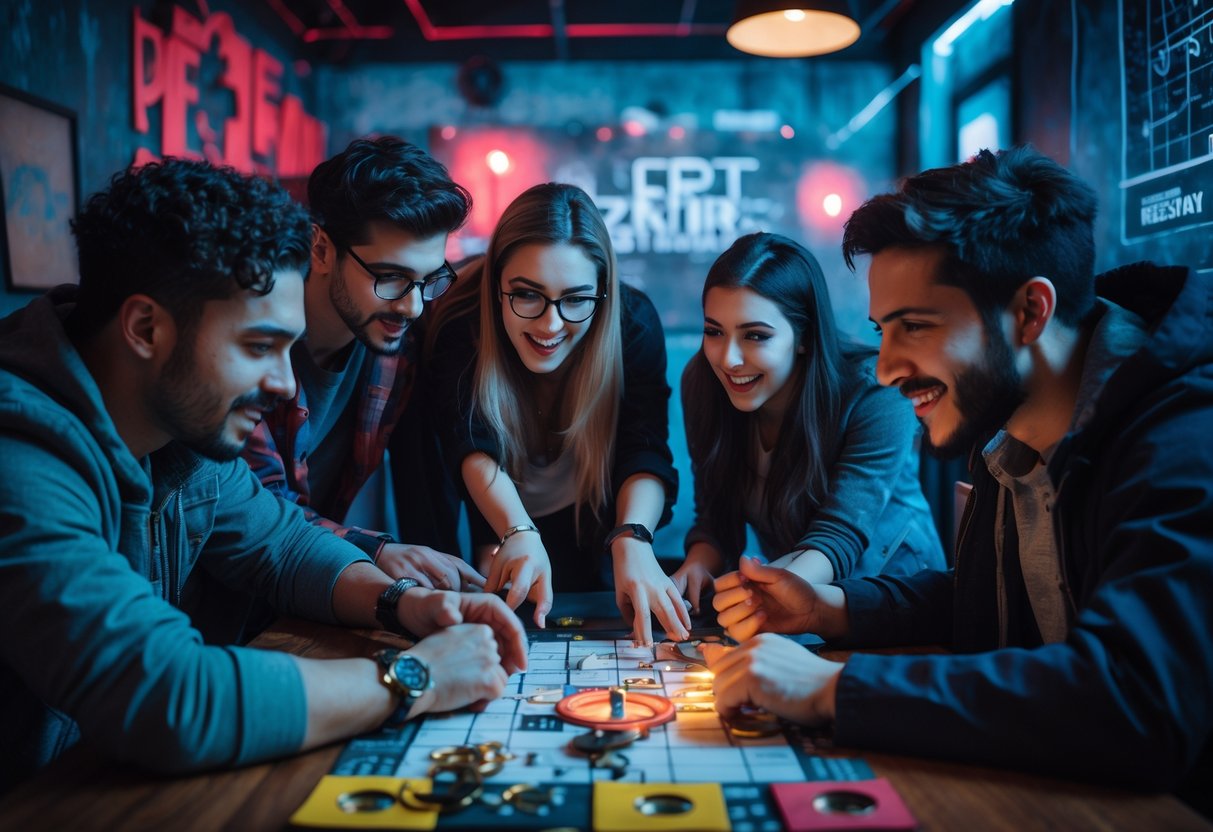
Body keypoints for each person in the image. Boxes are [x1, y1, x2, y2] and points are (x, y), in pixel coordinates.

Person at [0, 159, 526, 793]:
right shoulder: (19, 457)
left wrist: (406, 603)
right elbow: (169, 697)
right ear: (145, 328)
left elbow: (281, 543)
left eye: (288, 348)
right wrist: (414, 677)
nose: (283, 383)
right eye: (258, 347)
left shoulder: (179, 432)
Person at [703, 146, 1213, 797]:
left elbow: (1136, 702)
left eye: (914, 325)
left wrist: (832, 686)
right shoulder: (1012, 425)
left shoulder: (1182, 436)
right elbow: (981, 606)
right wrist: (827, 609)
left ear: (1030, 312)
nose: (886, 368)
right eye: (881, 329)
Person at [425, 182, 685, 644]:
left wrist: (634, 537)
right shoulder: (457, 320)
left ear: (602, 294)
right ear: (496, 284)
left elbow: (644, 450)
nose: (550, 324)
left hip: (591, 514)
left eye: (576, 300)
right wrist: (514, 530)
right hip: (490, 510)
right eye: (526, 295)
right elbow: (471, 440)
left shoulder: (634, 323)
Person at [241, 135, 480, 593]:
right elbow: (254, 511)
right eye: (390, 278)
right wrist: (378, 551)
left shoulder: (394, 348)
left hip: (310, 593)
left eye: (428, 280)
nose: (411, 307)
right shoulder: (251, 349)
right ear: (322, 249)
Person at [678, 232, 945, 610]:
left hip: (897, 602)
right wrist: (694, 568)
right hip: (796, 594)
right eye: (714, 332)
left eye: (755, 335)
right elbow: (715, 518)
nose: (728, 360)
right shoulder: (703, 382)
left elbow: (839, 535)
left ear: (803, 335)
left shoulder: (876, 393)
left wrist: (762, 590)